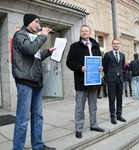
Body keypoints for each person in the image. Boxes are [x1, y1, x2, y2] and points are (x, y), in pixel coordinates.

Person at [12, 13, 56, 150]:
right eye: (36, 21)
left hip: (36, 81)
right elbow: (30, 49)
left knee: (38, 116)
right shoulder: (20, 35)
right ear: (28, 22)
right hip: (25, 81)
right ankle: (17, 148)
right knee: (23, 119)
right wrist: (43, 35)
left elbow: (35, 57)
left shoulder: (33, 37)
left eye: (39, 22)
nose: (38, 24)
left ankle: (37, 145)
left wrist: (48, 51)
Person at [66, 25, 105, 139]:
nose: (84, 32)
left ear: (90, 32)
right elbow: (69, 62)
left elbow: (99, 60)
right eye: (82, 31)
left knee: (93, 105)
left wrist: (101, 67)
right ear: (80, 33)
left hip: (93, 81)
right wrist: (80, 68)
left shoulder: (95, 46)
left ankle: (94, 124)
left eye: (86, 31)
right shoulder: (74, 46)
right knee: (79, 107)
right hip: (81, 81)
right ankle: (78, 128)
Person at [103, 39, 126, 125]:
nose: (116, 45)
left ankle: (119, 115)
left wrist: (120, 74)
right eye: (114, 43)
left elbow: (122, 66)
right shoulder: (107, 54)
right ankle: (113, 116)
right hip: (111, 79)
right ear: (112, 44)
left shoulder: (122, 55)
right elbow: (105, 66)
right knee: (112, 99)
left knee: (119, 98)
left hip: (120, 79)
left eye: (117, 43)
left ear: (119, 44)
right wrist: (107, 76)